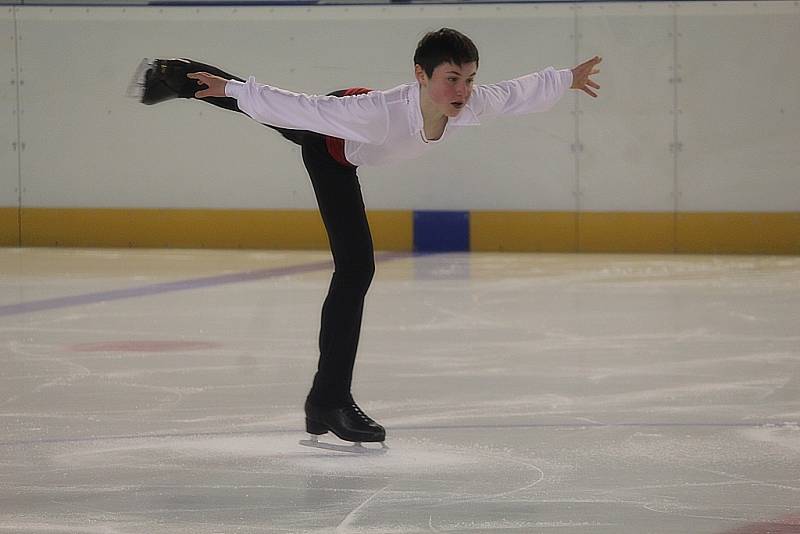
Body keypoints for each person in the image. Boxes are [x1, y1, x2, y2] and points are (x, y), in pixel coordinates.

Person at [137, 28, 601, 447]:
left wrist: (564, 79)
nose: (462, 91)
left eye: (469, 79)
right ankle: (330, 401)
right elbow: (303, 107)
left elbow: (511, 93)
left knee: (351, 259)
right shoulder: (377, 115)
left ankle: (324, 403)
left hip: (349, 127)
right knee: (354, 264)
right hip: (333, 140)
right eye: (452, 79)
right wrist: (236, 91)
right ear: (421, 75)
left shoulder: (468, 101)